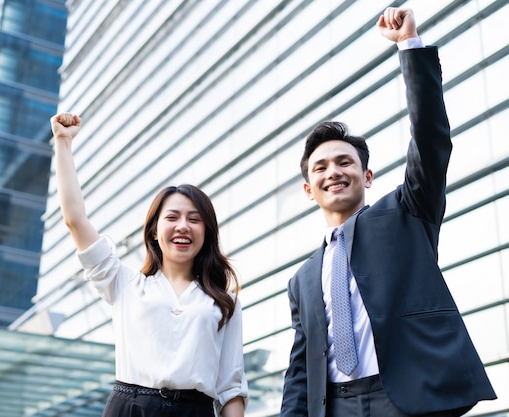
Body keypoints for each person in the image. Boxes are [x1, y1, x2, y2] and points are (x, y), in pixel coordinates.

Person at [280, 7, 496, 417]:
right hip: (336, 407)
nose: (334, 172)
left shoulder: (406, 212)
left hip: (407, 398)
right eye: (320, 168)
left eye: (345, 162)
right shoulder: (302, 279)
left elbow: (431, 139)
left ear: (368, 175)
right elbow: (300, 369)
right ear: (310, 190)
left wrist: (408, 47)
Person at [50, 112, 248, 417]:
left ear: (206, 233)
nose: (183, 226)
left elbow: (231, 388)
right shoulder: (123, 283)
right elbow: (75, 220)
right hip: (129, 408)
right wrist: (63, 142)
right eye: (172, 218)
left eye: (194, 219)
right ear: (155, 231)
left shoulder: (225, 301)